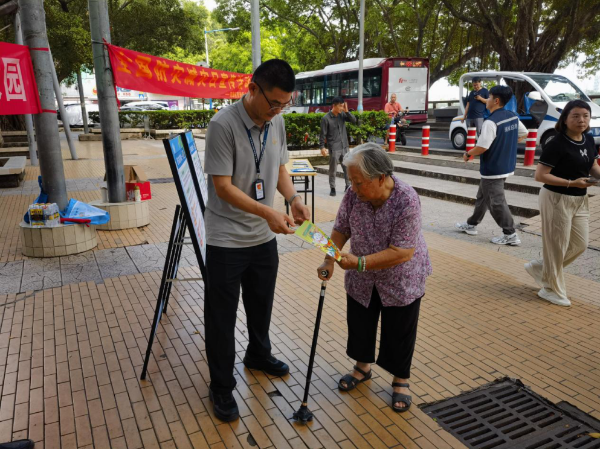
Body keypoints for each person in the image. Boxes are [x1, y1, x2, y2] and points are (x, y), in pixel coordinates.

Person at [203, 59, 311, 422]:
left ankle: (258, 355)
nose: (278, 110)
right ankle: (221, 386)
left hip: (263, 237)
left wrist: (293, 199)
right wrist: (267, 212)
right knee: (221, 317)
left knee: (261, 304)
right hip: (227, 238)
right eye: (274, 103)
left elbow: (279, 167)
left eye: (285, 105)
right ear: (253, 89)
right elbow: (223, 187)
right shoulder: (222, 125)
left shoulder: (275, 120)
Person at [317, 143, 432, 413]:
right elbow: (341, 228)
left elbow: (403, 251)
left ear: (381, 177)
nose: (354, 189)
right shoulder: (353, 194)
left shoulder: (407, 199)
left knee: (400, 328)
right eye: (352, 182)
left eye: (359, 183)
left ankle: (400, 379)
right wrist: (329, 260)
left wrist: (359, 262)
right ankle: (362, 368)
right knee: (360, 322)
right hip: (362, 278)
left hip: (401, 276)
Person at [525, 100, 600, 307]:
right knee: (556, 247)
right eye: (575, 116)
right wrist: (571, 183)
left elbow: (593, 165)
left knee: (579, 244)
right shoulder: (556, 143)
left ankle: (541, 268)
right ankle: (550, 289)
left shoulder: (588, 139)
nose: (581, 120)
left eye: (585, 116)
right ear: (565, 119)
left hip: (580, 199)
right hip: (556, 198)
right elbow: (540, 175)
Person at [455, 85, 528, 245]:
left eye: (488, 97)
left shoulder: (490, 122)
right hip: (506, 165)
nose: (486, 100)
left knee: (496, 202)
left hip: (493, 168)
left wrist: (468, 154)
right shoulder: (512, 116)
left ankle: (510, 234)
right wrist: (506, 143)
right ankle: (472, 224)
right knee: (482, 197)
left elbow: (482, 147)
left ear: (496, 101)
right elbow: (524, 133)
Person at [320, 96, 357, 196]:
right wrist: (322, 147)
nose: (342, 108)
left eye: (343, 106)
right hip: (334, 148)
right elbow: (322, 134)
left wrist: (347, 111)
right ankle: (332, 188)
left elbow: (354, 120)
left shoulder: (343, 115)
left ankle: (348, 186)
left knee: (347, 168)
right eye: (340, 106)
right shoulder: (326, 118)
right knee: (333, 169)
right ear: (334, 105)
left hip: (345, 146)